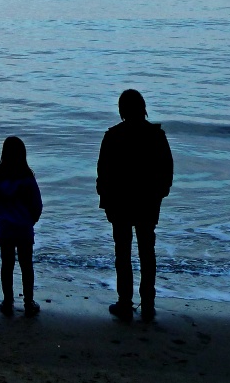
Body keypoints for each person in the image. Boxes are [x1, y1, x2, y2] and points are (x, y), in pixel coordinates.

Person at [96, 89, 174, 323]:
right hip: (147, 203)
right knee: (147, 253)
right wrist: (160, 194)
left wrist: (106, 199)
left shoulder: (113, 136)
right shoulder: (156, 135)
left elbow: (103, 173)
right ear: (143, 108)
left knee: (123, 254)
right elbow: (167, 170)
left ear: (121, 110)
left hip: (120, 203)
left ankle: (125, 302)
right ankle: (147, 304)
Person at [0, 136, 43, 317]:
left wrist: (1, 215)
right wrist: (32, 219)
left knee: (7, 264)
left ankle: (8, 300)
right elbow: (37, 203)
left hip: (5, 226)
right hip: (23, 226)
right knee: (26, 265)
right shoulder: (26, 176)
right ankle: (28, 301)